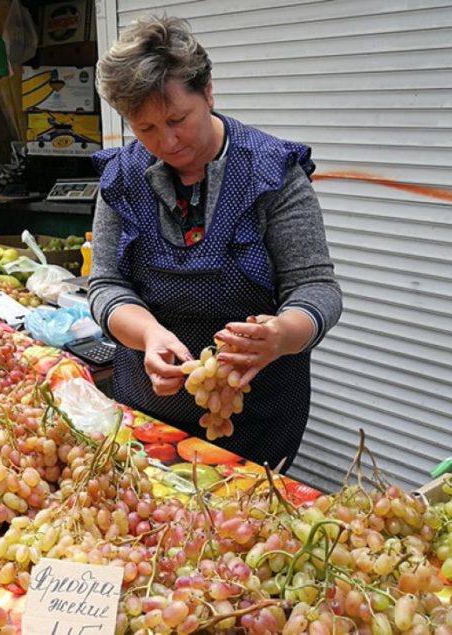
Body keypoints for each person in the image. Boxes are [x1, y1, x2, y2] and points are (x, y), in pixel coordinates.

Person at [89, 16, 343, 469]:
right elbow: (107, 284)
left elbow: (316, 288)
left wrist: (282, 335)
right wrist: (147, 334)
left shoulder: (272, 172)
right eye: (145, 129)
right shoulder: (122, 178)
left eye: (177, 119)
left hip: (257, 417)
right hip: (150, 417)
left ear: (207, 92)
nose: (166, 141)